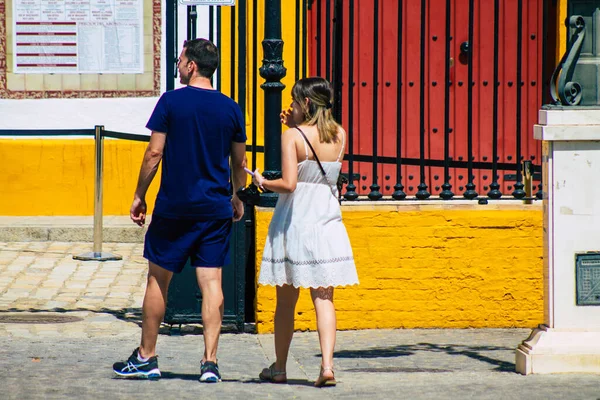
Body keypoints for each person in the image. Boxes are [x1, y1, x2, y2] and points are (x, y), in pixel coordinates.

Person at [112, 38, 247, 383]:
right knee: (211, 281)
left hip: (174, 207)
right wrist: (235, 194)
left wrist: (139, 194)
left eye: (180, 60)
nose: (177, 65)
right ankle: (210, 362)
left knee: (159, 279)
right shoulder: (231, 108)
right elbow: (239, 160)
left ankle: (146, 357)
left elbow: (154, 154)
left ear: (191, 66)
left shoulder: (171, 102)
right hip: (214, 207)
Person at [252, 77, 359, 387]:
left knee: (286, 302)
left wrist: (261, 181)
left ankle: (280, 367)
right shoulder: (340, 134)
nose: (292, 106)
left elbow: (288, 183)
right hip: (327, 222)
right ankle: (327, 366)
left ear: (307, 104)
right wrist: (296, 123)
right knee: (324, 299)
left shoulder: (291, 137)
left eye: (296, 101)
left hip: (296, 222)